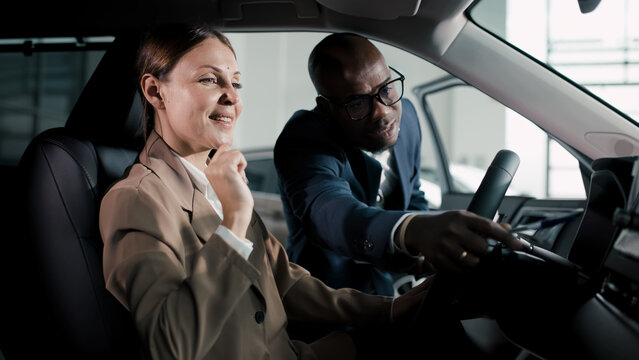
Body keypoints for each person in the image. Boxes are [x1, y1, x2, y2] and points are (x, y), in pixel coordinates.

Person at [98, 23, 434, 360]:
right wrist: (236, 218)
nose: (232, 95)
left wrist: (389, 310)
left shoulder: (215, 181)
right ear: (155, 92)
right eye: (209, 79)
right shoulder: (136, 199)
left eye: (236, 82)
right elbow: (170, 345)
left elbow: (285, 283)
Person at [274, 32, 518, 298]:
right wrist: (413, 229)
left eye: (386, 89)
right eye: (357, 103)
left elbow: (411, 195)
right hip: (321, 299)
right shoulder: (304, 139)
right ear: (325, 108)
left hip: (385, 291)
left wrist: (423, 253)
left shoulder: (408, 118)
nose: (383, 113)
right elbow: (329, 212)